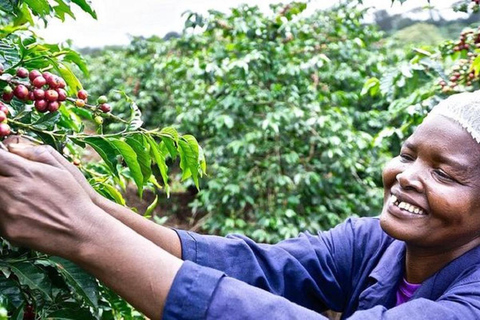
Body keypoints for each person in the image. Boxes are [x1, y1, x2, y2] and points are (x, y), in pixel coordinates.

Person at [1, 90, 480, 320]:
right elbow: (259, 269)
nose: (406, 177)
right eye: (407, 155)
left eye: (443, 174)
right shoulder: (373, 240)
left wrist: (85, 233)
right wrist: (90, 202)